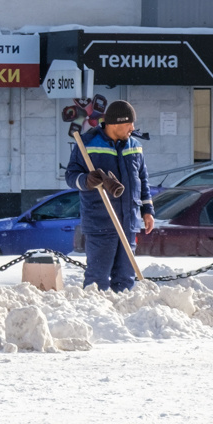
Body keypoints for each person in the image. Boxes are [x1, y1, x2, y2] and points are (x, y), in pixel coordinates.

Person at [64, 100, 155, 292]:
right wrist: (87, 180)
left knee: (125, 278)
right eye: (128, 123)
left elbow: (142, 180)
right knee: (97, 279)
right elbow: (71, 176)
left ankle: (123, 318)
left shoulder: (135, 146)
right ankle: (96, 315)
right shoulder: (87, 144)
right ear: (115, 123)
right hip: (100, 223)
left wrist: (147, 211)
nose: (133, 128)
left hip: (128, 222)